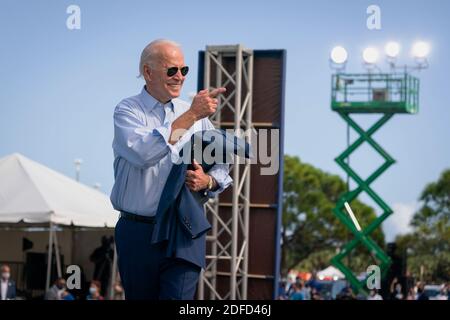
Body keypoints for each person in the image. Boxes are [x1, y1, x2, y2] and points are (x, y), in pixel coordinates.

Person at [111, 39, 232, 300]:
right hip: (137, 232)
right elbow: (145, 153)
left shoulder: (196, 115)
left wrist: (207, 181)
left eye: (184, 70)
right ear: (147, 72)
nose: (179, 77)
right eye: (171, 70)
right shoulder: (127, 111)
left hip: (184, 230)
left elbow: (224, 163)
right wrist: (191, 116)